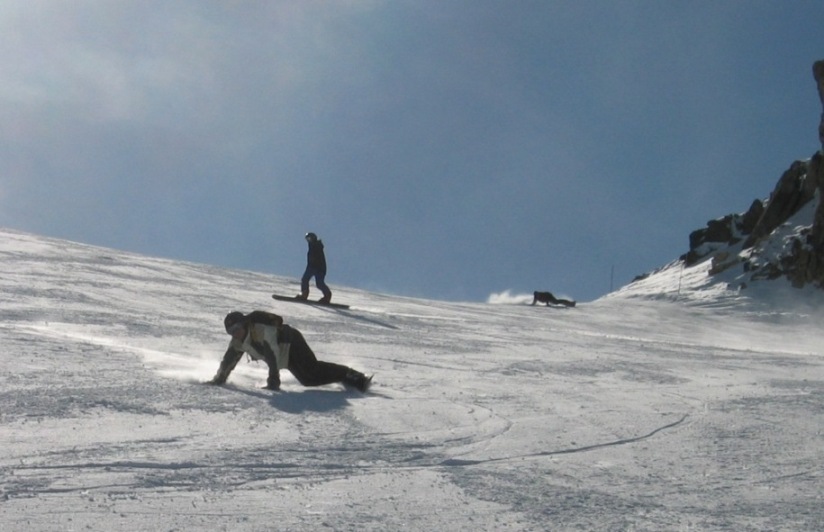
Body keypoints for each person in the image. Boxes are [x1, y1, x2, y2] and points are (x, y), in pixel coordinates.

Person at [207, 310, 372, 392]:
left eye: (236, 328)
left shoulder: (259, 327)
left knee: (312, 369)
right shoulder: (237, 343)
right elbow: (228, 361)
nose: (235, 333)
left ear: (244, 323)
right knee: (308, 380)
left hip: (292, 342)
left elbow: (271, 350)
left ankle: (355, 377)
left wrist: (273, 380)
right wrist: (218, 380)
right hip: (284, 356)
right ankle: (345, 377)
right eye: (230, 331)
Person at [297, 232, 333, 304]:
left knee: (312, 281)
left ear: (313, 238)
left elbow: (316, 257)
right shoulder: (313, 246)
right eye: (307, 239)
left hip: (317, 267)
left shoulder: (316, 245)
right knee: (307, 280)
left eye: (309, 238)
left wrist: (313, 264)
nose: (308, 240)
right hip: (315, 267)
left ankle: (326, 295)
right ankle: (305, 294)